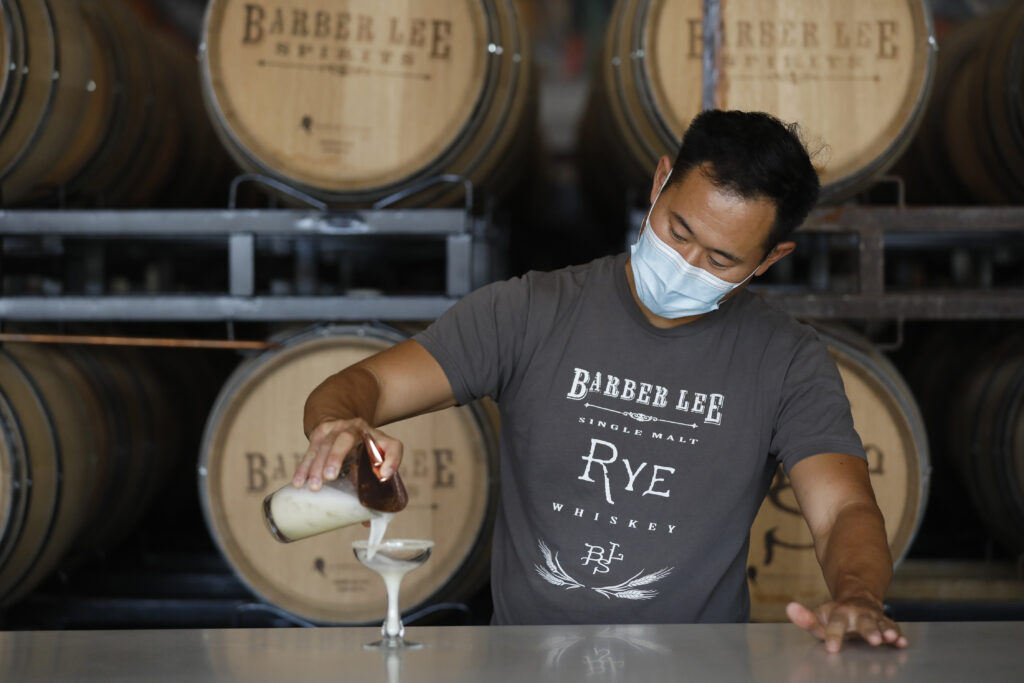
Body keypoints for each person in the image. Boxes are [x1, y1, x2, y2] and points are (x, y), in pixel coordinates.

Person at [292, 109, 907, 653]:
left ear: (772, 258)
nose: (685, 265)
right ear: (661, 180)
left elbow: (842, 509)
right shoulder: (530, 311)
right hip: (527, 666)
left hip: (700, 669)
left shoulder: (787, 359)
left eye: (721, 260)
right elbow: (359, 385)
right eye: (677, 231)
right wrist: (340, 423)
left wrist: (857, 595)